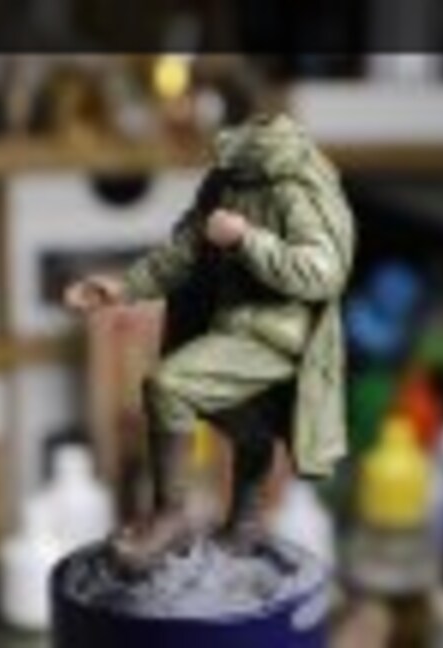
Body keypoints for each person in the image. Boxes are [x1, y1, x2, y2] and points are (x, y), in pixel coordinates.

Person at [65, 113, 355, 570]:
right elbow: (185, 252)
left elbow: (322, 273)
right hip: (229, 321)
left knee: (169, 387)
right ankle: (244, 525)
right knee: (240, 419)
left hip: (276, 332)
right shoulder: (226, 178)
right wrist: (124, 288)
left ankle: (171, 518)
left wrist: (245, 239)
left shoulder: (293, 188)